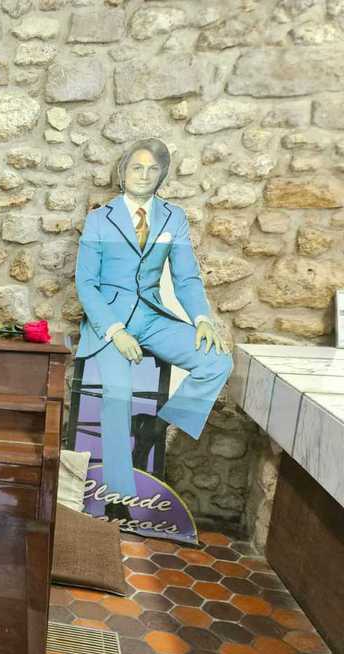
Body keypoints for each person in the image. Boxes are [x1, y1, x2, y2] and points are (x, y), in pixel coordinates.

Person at [75, 138, 232, 498]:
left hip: (151, 315)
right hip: (110, 320)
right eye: (137, 167)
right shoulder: (99, 219)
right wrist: (114, 331)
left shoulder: (173, 217)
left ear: (162, 175)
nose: (144, 175)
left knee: (218, 361)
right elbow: (86, 284)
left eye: (152, 169)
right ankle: (119, 494)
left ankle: (156, 426)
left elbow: (186, 277)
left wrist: (202, 319)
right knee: (118, 393)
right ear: (123, 172)